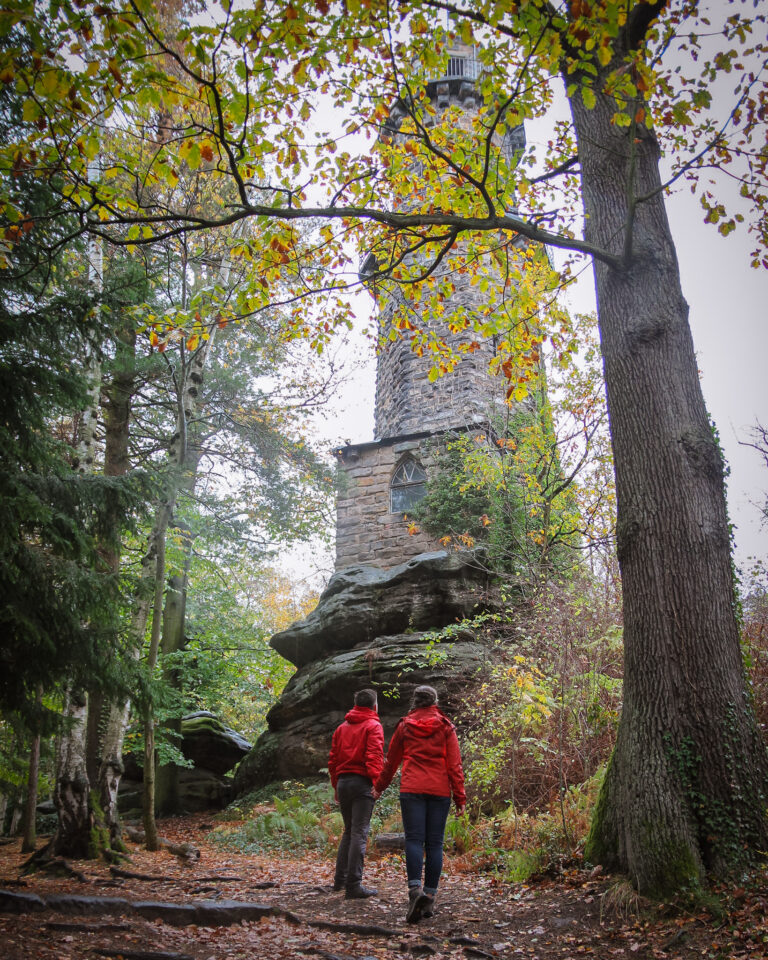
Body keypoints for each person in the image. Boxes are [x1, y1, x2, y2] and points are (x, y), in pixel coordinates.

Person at [373, 684, 466, 924]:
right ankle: (430, 897)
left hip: (412, 788)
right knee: (435, 843)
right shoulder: (446, 727)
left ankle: (415, 891)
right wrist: (460, 797)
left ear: (415, 701)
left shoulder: (405, 726)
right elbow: (455, 766)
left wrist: (379, 788)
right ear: (434, 702)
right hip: (439, 791)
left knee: (414, 840)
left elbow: (391, 762)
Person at [328, 688, 384, 899]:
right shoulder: (373, 726)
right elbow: (374, 757)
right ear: (374, 706)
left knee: (349, 831)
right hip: (362, 783)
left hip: (343, 783)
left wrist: (336, 786)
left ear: (356, 704)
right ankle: (354, 885)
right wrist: (377, 784)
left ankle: (339, 882)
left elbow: (333, 761)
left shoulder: (341, 728)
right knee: (359, 832)